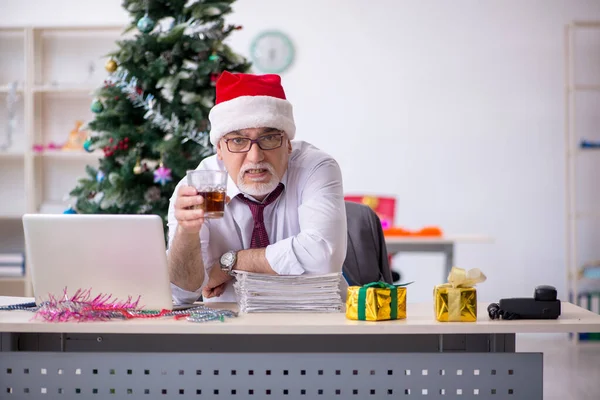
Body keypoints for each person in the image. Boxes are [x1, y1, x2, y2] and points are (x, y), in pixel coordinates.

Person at [167, 71, 347, 303]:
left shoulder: (315, 167)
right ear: (219, 150)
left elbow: (323, 256)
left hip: (312, 319)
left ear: (288, 144)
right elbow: (182, 294)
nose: (255, 156)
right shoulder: (199, 187)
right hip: (228, 326)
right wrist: (187, 232)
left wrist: (231, 263)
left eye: (269, 138)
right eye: (238, 140)